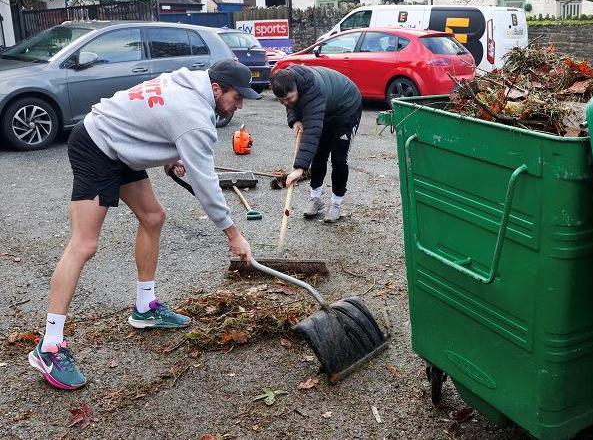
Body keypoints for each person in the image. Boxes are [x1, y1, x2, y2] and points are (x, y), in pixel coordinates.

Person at [28, 60, 259, 390]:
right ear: (217, 88)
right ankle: (49, 346)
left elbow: (151, 114)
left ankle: (144, 307)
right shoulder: (193, 116)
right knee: (84, 245)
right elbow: (206, 183)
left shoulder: (188, 83)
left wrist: (170, 154)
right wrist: (233, 234)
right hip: (95, 145)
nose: (240, 104)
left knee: (153, 216)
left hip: (118, 145)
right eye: (237, 97)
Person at [270, 65, 362, 223]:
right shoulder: (286, 81)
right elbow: (292, 104)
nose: (286, 102)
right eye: (281, 101)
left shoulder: (313, 90)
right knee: (319, 155)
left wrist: (299, 168)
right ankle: (315, 199)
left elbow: (312, 132)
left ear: (297, 88)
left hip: (346, 109)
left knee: (339, 159)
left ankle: (336, 204)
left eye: (289, 98)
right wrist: (295, 120)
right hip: (325, 109)